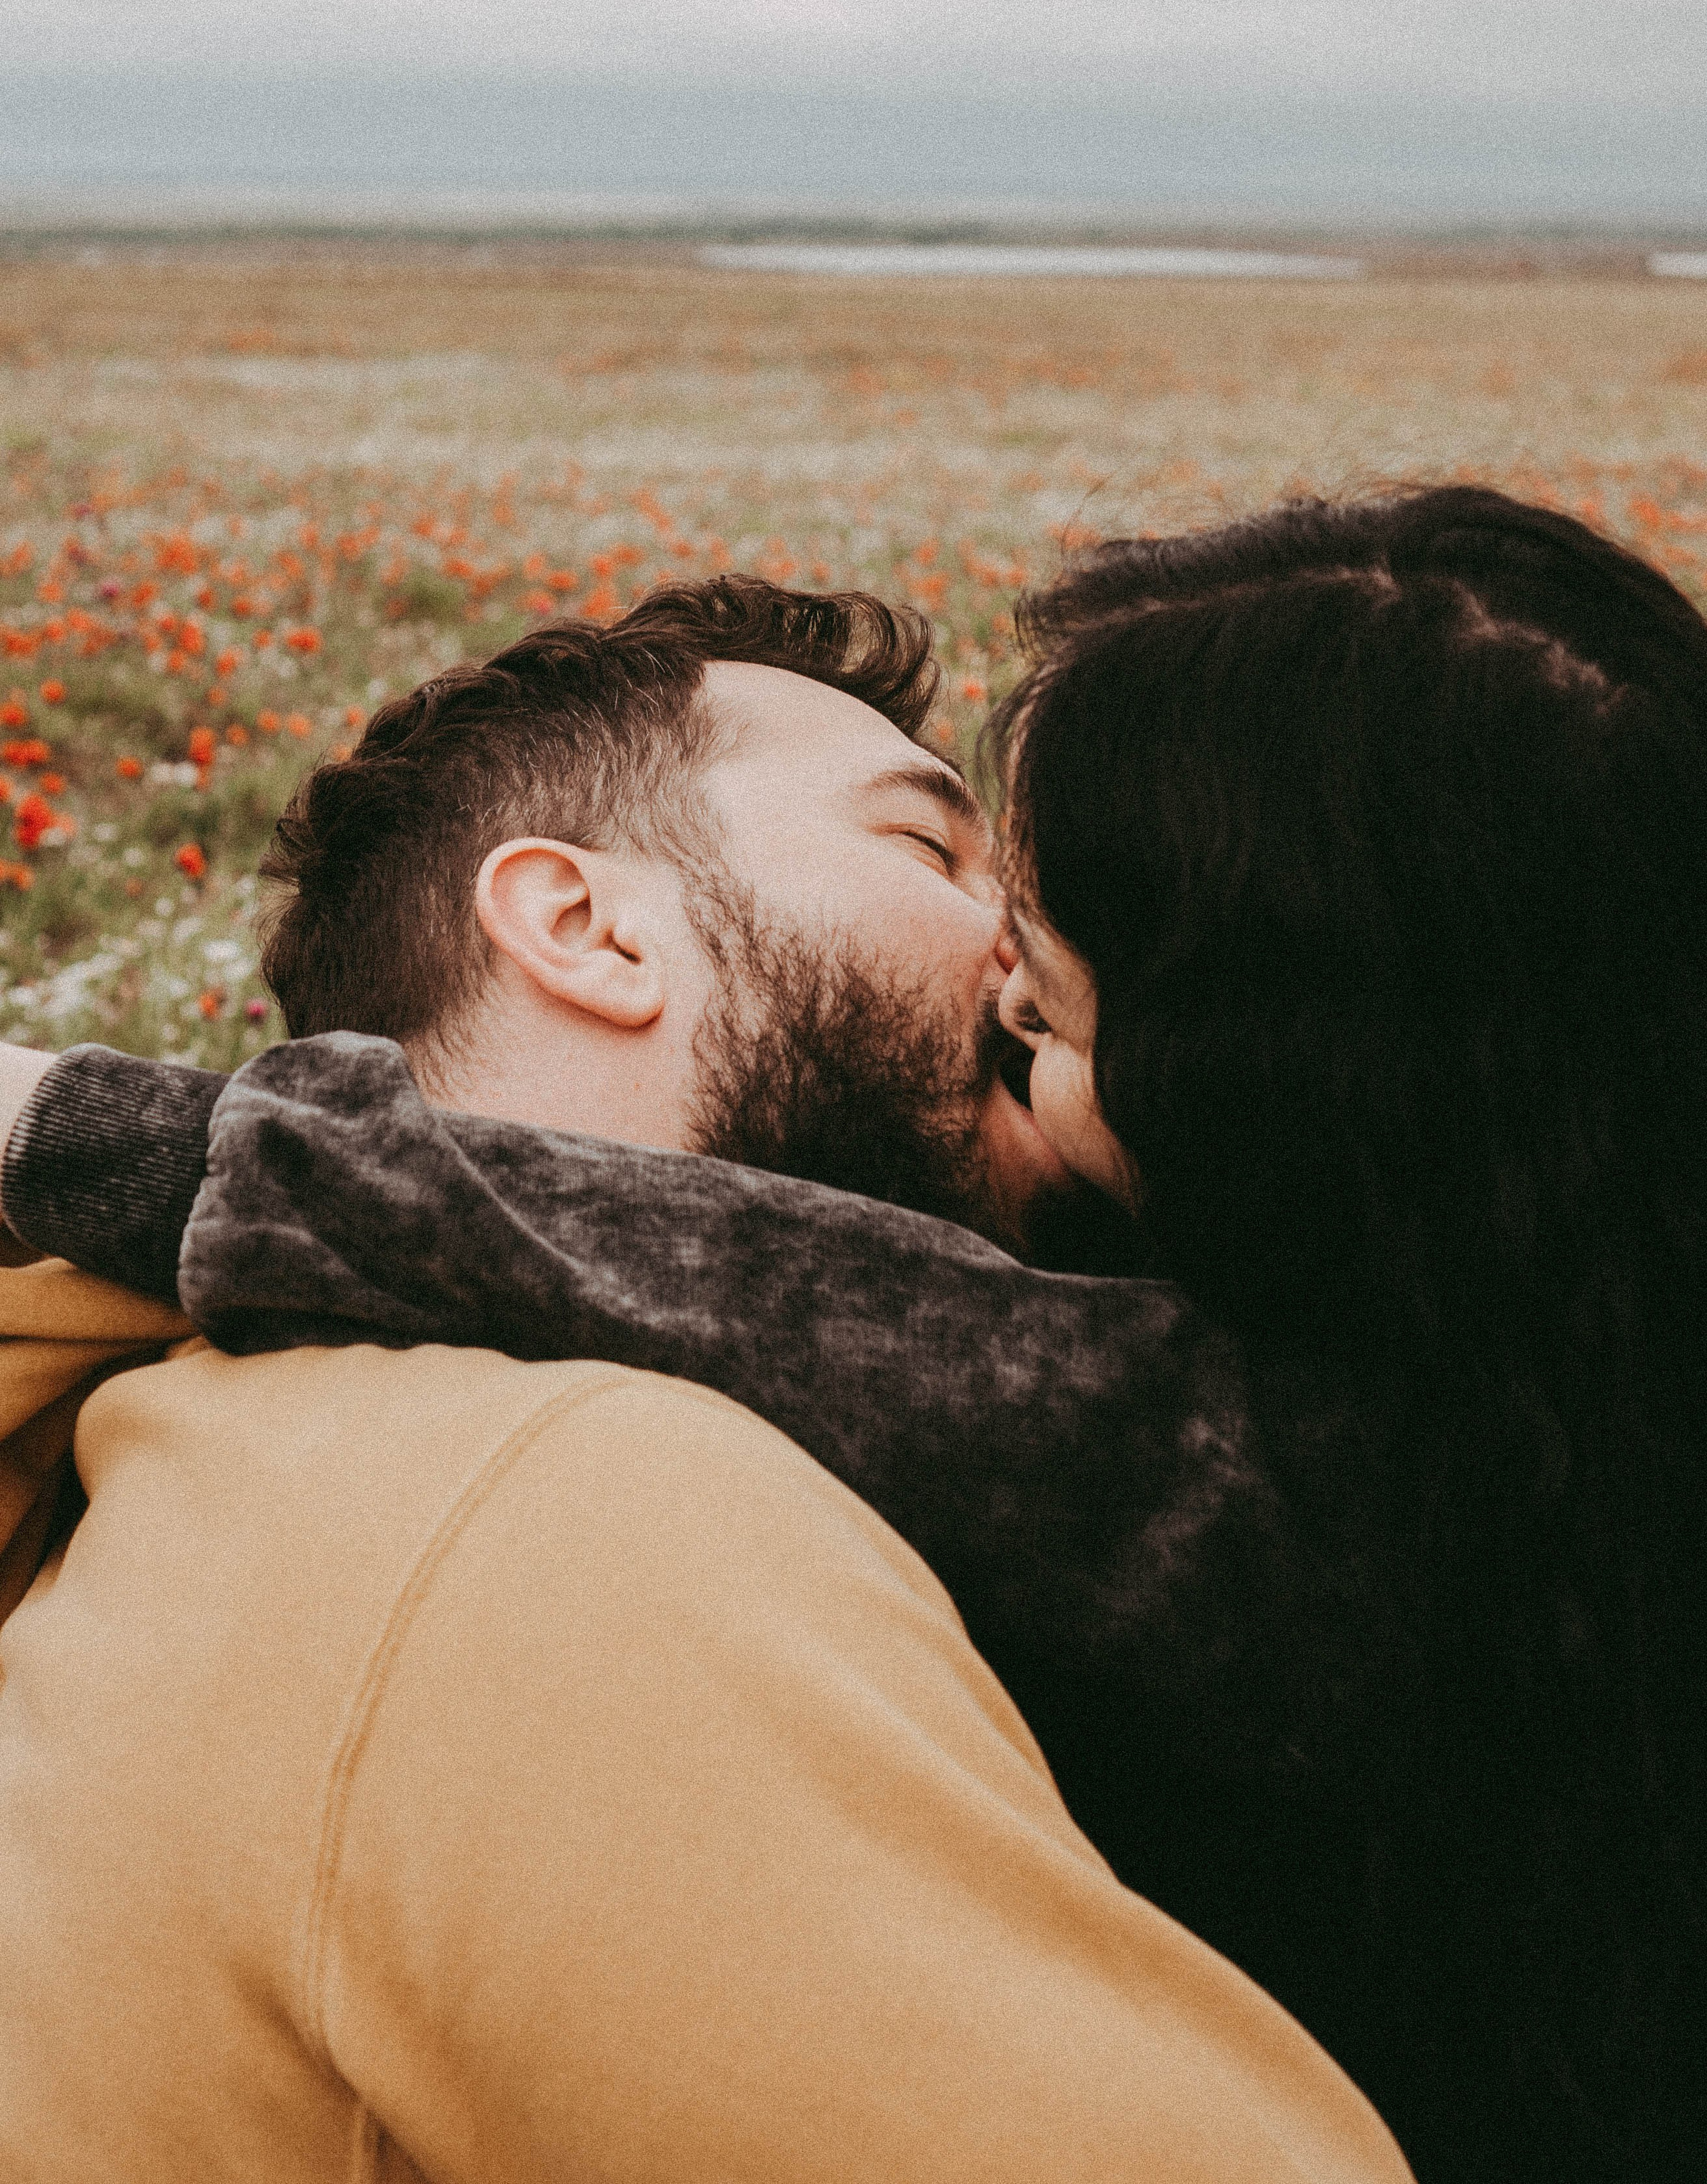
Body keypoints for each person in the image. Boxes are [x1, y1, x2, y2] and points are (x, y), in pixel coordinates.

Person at [7, 485, 1704, 2175]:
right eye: (927, 846)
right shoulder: (556, 1503)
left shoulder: (223, 1437)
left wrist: (160, 1151)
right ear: (586, 927)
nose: (1025, 954)